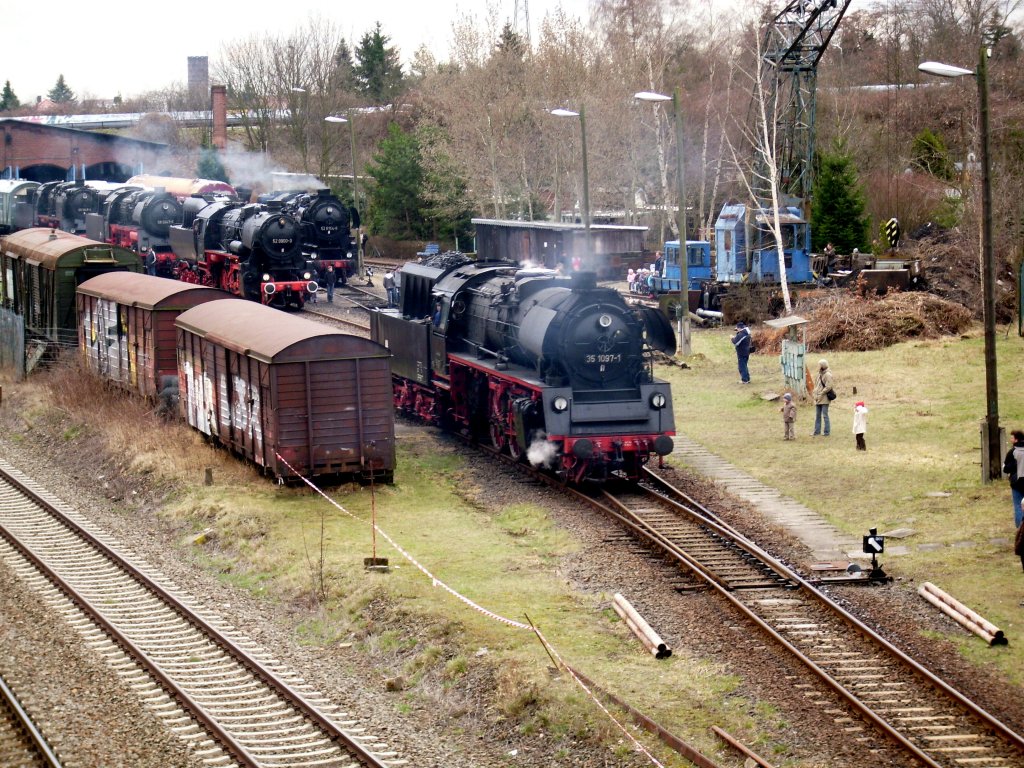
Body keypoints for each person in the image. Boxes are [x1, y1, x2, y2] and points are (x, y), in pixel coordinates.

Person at [1003, 429, 1024, 529]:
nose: (1010, 439)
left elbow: (1006, 468)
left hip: (1017, 483)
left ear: (1016, 440)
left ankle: (1021, 530)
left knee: (1018, 505)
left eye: (1012, 437)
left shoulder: (1013, 452)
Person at [811, 359, 835, 436]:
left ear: (823, 366)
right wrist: (815, 394)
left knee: (825, 415)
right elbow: (816, 386)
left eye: (819, 365)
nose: (818, 366)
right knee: (817, 415)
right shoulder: (819, 374)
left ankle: (826, 432)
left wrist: (821, 393)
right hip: (818, 397)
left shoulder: (828, 375)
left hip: (824, 398)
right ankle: (817, 431)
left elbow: (829, 386)